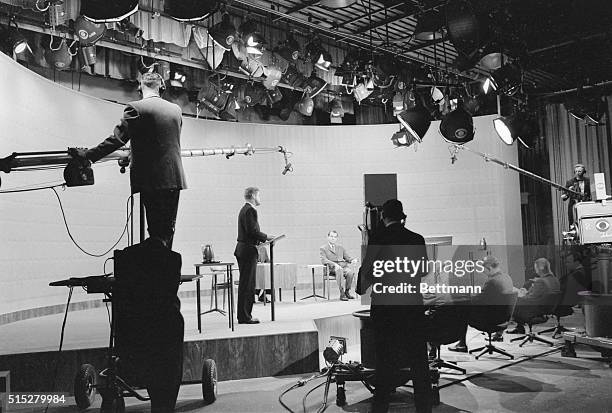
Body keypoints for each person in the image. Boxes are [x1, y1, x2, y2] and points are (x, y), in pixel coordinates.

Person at [70, 72, 187, 249]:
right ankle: (167, 273)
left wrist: (88, 155)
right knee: (167, 231)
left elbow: (117, 140)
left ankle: (156, 273)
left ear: (140, 88)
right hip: (174, 179)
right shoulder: (176, 110)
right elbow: (161, 143)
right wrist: (133, 155)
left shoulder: (135, 108)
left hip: (152, 180)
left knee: (155, 232)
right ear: (161, 88)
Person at [356, 199, 432, 413]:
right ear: (402, 216)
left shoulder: (377, 238)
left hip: (385, 311)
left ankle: (380, 409)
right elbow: (424, 270)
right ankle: (424, 409)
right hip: (411, 308)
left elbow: (367, 275)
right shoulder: (417, 239)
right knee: (419, 362)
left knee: (384, 363)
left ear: (383, 216)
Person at [449, 255, 515, 352]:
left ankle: (462, 344)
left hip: (490, 319)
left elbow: (478, 300)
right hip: (503, 318)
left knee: (462, 310)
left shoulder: (492, 281)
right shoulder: (506, 277)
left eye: (484, 270)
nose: (483, 272)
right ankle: (498, 335)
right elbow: (489, 297)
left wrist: (468, 297)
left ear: (489, 268)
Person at [234, 187, 275, 324]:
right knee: (247, 285)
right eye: (258, 195)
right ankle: (245, 316)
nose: (259, 198)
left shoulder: (245, 209)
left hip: (244, 249)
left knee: (246, 284)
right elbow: (252, 231)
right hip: (247, 251)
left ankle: (244, 315)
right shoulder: (250, 210)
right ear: (253, 196)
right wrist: (267, 237)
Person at [506, 257, 560, 335]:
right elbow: (538, 295)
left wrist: (521, 296)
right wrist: (527, 292)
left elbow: (530, 299)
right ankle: (519, 327)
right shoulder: (555, 279)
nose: (536, 270)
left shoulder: (541, 282)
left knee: (511, 301)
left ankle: (513, 328)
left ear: (540, 268)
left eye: (536, 268)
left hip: (536, 309)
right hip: (548, 308)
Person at [320, 230, 358, 301]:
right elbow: (323, 260)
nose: (333, 238)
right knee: (339, 270)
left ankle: (347, 291)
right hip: (331, 268)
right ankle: (342, 292)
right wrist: (334, 264)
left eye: (335, 237)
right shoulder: (323, 248)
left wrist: (352, 260)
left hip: (342, 266)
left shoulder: (340, 247)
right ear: (328, 237)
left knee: (350, 273)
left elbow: (347, 257)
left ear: (336, 238)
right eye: (331, 236)